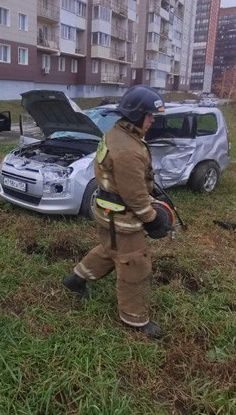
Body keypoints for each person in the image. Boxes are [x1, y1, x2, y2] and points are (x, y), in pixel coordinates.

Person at [62, 86, 171, 339]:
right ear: (137, 115)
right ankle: (135, 320)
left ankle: (76, 279)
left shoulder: (117, 133)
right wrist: (152, 219)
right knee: (135, 264)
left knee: (110, 250)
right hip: (123, 217)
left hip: (107, 211)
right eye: (150, 115)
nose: (153, 120)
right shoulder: (128, 150)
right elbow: (134, 193)